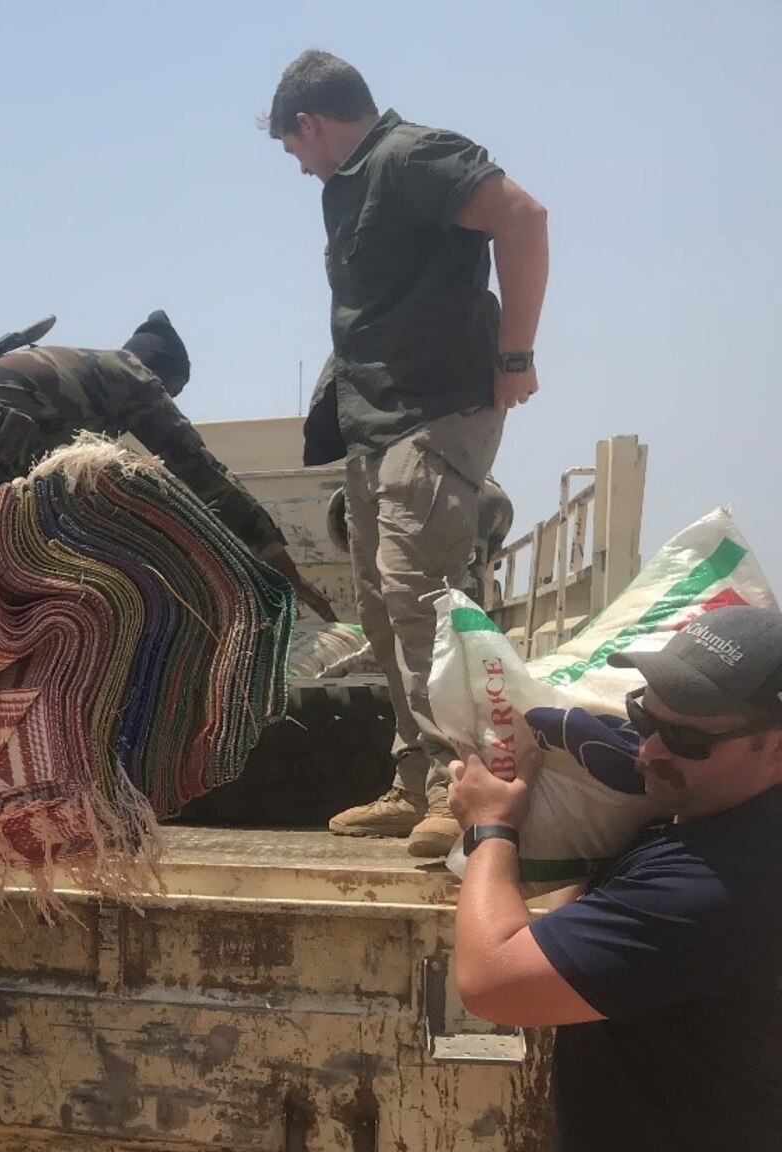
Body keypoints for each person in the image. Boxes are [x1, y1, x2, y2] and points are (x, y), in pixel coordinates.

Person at [448, 605, 782, 1152]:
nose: (650, 751)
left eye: (689, 739)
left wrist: (491, 830)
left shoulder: (725, 884)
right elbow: (581, 929)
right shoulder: (701, 833)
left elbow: (492, 979)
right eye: (648, 716)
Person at [266, 49, 549, 856]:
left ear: (312, 123)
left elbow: (523, 217)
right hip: (374, 423)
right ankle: (418, 780)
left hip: (433, 412)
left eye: (293, 146)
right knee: (385, 615)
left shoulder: (410, 156)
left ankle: (467, 784)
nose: (297, 164)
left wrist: (516, 354)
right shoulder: (348, 186)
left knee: (424, 599)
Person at [0, 314, 337, 620]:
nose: (171, 400)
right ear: (163, 374)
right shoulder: (134, 377)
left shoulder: (86, 377)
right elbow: (205, 475)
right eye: (174, 391)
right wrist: (284, 568)